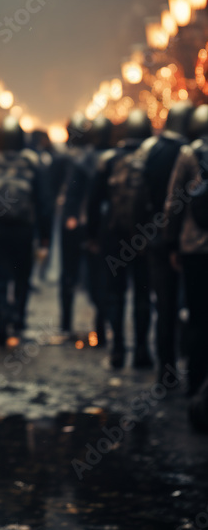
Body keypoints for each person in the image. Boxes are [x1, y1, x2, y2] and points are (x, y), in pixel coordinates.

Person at [0, 116, 52, 345]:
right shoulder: (32, 162)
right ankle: (18, 318)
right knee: (22, 277)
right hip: (23, 231)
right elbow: (43, 203)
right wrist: (44, 236)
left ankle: (1, 322)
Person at [87, 108, 152, 369]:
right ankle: (141, 351)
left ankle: (117, 350)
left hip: (114, 236)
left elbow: (94, 203)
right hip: (144, 238)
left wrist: (92, 236)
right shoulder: (152, 158)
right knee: (143, 295)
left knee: (115, 294)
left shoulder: (109, 160)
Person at [140, 102, 192, 381]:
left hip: (160, 239)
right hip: (193, 241)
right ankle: (193, 367)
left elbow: (142, 194)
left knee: (165, 306)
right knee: (194, 306)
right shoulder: (194, 153)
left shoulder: (153, 151)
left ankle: (166, 370)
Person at [164, 104, 208, 400]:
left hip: (195, 250)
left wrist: (171, 244)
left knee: (197, 318)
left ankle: (196, 384)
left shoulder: (188, 154)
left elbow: (173, 203)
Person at [55, 113, 97, 339]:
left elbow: (63, 192)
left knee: (69, 274)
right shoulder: (96, 158)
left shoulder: (66, 159)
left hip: (72, 222)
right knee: (96, 273)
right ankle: (100, 325)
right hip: (92, 222)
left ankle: (66, 324)